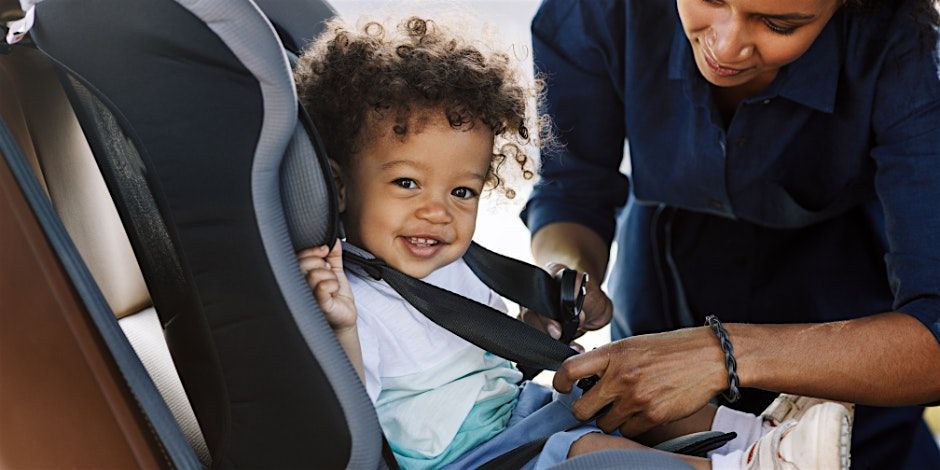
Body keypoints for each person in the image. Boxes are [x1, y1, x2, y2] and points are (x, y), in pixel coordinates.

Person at [293, 15, 856, 470]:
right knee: (587, 454)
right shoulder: (349, 296)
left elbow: (488, 364)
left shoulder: (458, 266)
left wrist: (536, 327)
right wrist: (340, 326)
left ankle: (770, 438)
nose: (437, 211)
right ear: (340, 185)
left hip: (516, 416)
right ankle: (743, 467)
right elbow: (350, 419)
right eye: (406, 183)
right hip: (470, 458)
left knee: (625, 390)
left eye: (463, 191)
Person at [520, 0, 940, 468]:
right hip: (658, 306)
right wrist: (562, 277)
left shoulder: (912, 53)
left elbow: (935, 326)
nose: (726, 45)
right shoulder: (595, 11)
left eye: (778, 24)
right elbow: (572, 187)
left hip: (848, 342)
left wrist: (723, 352)